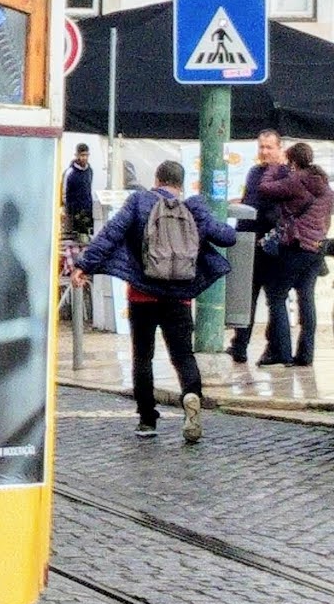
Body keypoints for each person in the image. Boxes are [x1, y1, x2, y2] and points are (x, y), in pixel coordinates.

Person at [76, 160, 236, 444]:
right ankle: (191, 397)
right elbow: (227, 237)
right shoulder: (193, 206)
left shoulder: (139, 202)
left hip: (142, 295)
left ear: (156, 179)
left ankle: (147, 419)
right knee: (183, 355)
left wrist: (83, 265)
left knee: (143, 356)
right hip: (180, 297)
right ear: (181, 184)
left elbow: (110, 234)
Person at [254, 142, 333, 367]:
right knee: (306, 299)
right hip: (316, 249)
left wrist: (272, 167)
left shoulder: (297, 181)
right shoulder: (326, 187)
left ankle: (283, 354)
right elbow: (326, 219)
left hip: (295, 248)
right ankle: (306, 355)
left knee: (277, 297)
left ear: (294, 162)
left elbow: (265, 189)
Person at [227, 128, 285, 365]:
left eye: (269, 147)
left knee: (274, 299)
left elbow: (276, 211)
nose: (264, 151)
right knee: (245, 297)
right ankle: (239, 345)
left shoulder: (284, 174)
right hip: (246, 241)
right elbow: (250, 200)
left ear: (279, 148)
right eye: (261, 147)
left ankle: (274, 347)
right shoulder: (254, 171)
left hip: (269, 244)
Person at [62, 144, 95, 242]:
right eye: (81, 155)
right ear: (76, 155)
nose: (84, 158)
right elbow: (64, 194)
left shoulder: (90, 170)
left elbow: (89, 189)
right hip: (73, 212)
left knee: (85, 241)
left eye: (86, 155)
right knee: (72, 242)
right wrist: (67, 211)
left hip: (87, 211)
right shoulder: (69, 172)